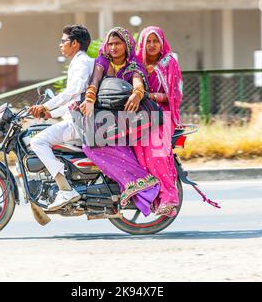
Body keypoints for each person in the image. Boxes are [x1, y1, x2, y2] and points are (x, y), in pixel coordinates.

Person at [78, 27, 160, 217]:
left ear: (126, 45)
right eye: (111, 43)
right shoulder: (103, 61)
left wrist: (137, 94)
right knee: (89, 145)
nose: (113, 47)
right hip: (103, 113)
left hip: (128, 115)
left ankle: (142, 185)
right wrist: (89, 99)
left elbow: (138, 81)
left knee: (93, 145)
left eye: (118, 44)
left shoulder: (133, 64)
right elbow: (95, 81)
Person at [29, 24, 94, 211]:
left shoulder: (81, 62)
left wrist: (45, 106)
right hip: (78, 118)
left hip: (79, 123)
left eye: (63, 41)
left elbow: (73, 91)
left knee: (38, 142)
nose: (60, 45)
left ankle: (65, 188)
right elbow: (75, 99)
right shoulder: (80, 62)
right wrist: (51, 113)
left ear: (75, 43)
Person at [133, 26, 184, 217]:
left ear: (162, 43)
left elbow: (175, 95)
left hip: (162, 115)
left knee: (156, 152)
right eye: (148, 41)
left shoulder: (169, 63)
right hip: (140, 116)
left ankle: (169, 197)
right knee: (137, 152)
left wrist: (151, 96)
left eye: (156, 41)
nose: (152, 45)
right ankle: (152, 198)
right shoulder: (136, 63)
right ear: (142, 44)